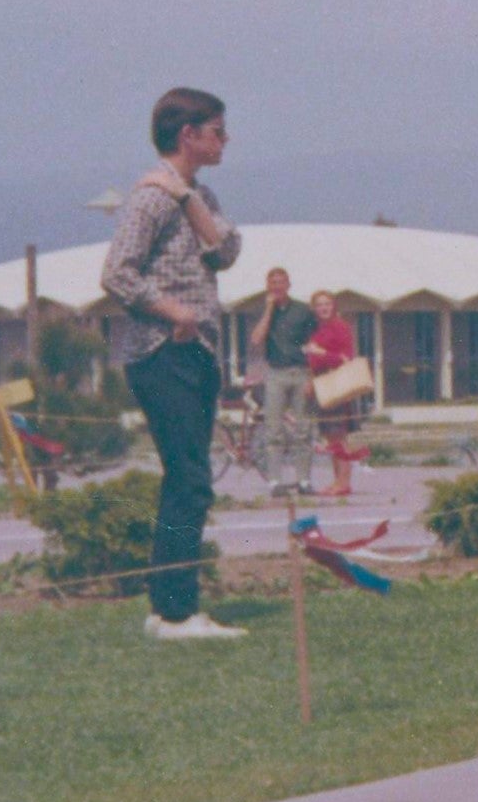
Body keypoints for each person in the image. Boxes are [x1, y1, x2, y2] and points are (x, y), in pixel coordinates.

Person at [99, 87, 246, 641]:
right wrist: (173, 311)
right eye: (217, 130)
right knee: (189, 479)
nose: (225, 140)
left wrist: (187, 198)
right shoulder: (147, 200)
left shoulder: (189, 195)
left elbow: (226, 253)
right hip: (163, 354)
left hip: (199, 352)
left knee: (188, 479)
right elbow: (117, 274)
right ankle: (177, 612)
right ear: (189, 134)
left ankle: (168, 608)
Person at [250, 268, 319, 495]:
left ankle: (304, 480)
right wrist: (269, 309)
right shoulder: (265, 312)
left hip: (300, 372)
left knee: (303, 428)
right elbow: (256, 339)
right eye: (273, 283)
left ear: (289, 284)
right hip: (275, 374)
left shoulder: (303, 311)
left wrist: (312, 377)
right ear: (268, 287)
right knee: (273, 429)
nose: (277, 287)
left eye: (281, 282)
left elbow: (313, 344)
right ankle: (274, 481)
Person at [302, 289, 364, 497]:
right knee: (331, 437)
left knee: (339, 436)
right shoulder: (318, 329)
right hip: (323, 383)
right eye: (319, 304)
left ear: (334, 305)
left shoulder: (340, 326)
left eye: (327, 303)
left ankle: (344, 482)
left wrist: (321, 353)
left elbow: (345, 358)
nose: (323, 308)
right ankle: (337, 480)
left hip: (338, 383)